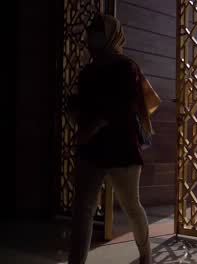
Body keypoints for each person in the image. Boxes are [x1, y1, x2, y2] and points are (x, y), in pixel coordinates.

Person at [67, 13, 160, 264]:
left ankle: (146, 257)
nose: (91, 35)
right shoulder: (87, 70)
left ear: (111, 35)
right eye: (92, 30)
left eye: (98, 30)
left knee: (131, 206)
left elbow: (123, 105)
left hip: (121, 147)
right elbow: (79, 102)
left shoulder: (125, 67)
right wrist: (76, 115)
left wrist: (93, 126)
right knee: (83, 210)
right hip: (92, 148)